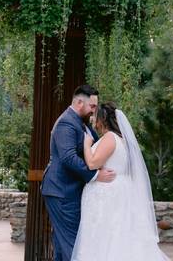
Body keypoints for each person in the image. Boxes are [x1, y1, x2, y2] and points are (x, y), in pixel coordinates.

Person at [71, 102, 170, 261]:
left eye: (95, 116)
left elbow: (92, 163)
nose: (92, 120)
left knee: (106, 237)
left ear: (102, 119)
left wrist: (86, 145)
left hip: (107, 195)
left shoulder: (110, 138)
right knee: (116, 235)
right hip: (117, 192)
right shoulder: (121, 140)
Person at [41, 85, 117, 261]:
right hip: (61, 191)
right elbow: (68, 158)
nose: (94, 111)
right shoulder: (66, 123)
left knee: (63, 243)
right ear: (79, 102)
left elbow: (98, 147)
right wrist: (96, 175)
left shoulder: (82, 124)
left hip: (68, 191)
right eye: (92, 106)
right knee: (73, 243)